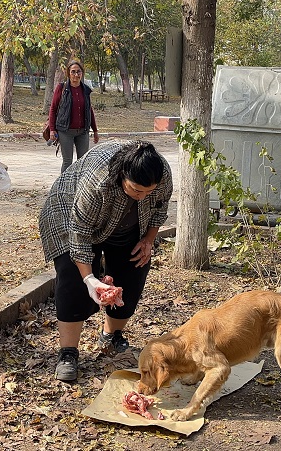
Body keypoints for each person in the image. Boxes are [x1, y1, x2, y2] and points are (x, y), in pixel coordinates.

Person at [39, 141, 173, 381]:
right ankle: (68, 352)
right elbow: (79, 232)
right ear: (123, 176)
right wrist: (90, 279)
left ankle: (111, 336)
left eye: (148, 192)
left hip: (126, 224)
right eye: (136, 190)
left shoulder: (160, 173)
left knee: (133, 270)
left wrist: (148, 240)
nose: (142, 197)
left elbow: (159, 210)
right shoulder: (99, 179)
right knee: (73, 279)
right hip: (69, 213)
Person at [47, 58, 99, 172]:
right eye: (73, 71)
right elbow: (53, 109)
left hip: (83, 131)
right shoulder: (62, 88)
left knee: (83, 161)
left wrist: (95, 130)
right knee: (67, 161)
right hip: (65, 131)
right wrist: (52, 130)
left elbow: (89, 110)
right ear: (68, 73)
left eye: (78, 71)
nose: (76, 74)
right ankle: (62, 187)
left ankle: (79, 187)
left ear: (82, 73)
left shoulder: (85, 89)